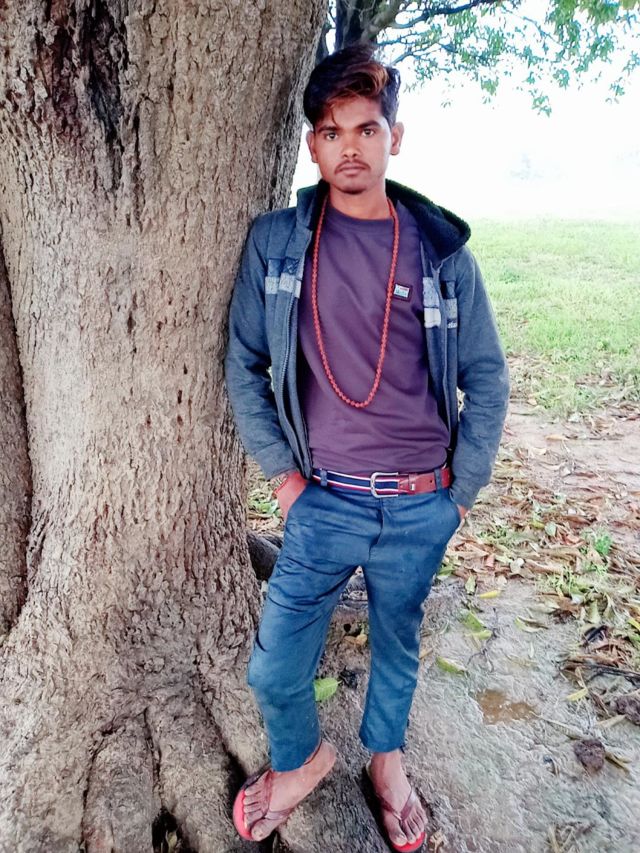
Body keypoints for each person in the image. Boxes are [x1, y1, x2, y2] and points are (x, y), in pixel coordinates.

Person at [225, 43, 509, 852]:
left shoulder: (441, 253)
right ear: (312, 146)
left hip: (423, 499)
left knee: (398, 639)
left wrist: (459, 494)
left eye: (366, 128)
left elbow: (487, 377)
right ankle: (303, 758)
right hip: (323, 501)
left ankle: (387, 761)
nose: (349, 147)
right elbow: (244, 363)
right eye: (331, 131)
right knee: (273, 665)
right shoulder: (278, 244)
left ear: (395, 138)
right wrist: (284, 481)